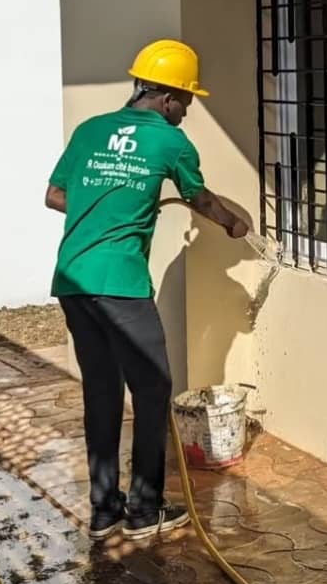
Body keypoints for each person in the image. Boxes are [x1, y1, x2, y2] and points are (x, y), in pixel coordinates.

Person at [45, 39, 248, 542]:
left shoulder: (91, 130)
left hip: (72, 279)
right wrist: (232, 223)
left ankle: (102, 509)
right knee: (154, 388)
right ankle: (143, 509)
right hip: (120, 285)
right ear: (168, 97)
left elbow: (54, 196)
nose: (188, 111)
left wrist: (108, 205)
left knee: (102, 390)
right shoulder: (171, 143)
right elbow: (197, 196)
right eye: (188, 101)